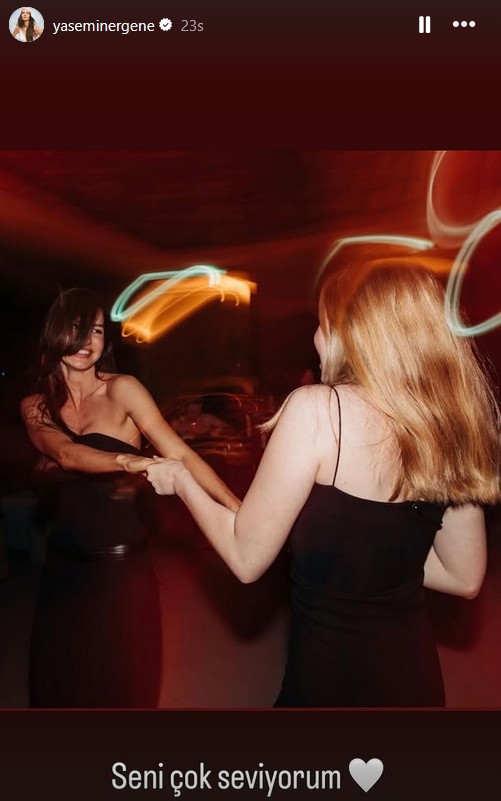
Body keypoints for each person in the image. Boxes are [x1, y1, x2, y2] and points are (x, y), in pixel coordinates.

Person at [124, 263, 500, 707]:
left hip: (330, 682)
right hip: (413, 681)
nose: (316, 339)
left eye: (322, 324)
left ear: (353, 332)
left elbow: (245, 558)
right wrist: (370, 558)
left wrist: (181, 479)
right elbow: (463, 576)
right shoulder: (449, 427)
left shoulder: (318, 411)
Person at [21, 288, 239, 708]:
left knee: (121, 690)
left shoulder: (123, 390)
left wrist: (236, 509)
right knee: (57, 688)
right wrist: (132, 462)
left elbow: (181, 455)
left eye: (96, 330)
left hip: (121, 571)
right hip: (63, 570)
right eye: (76, 328)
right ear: (53, 332)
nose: (87, 340)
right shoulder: (36, 406)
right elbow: (65, 454)